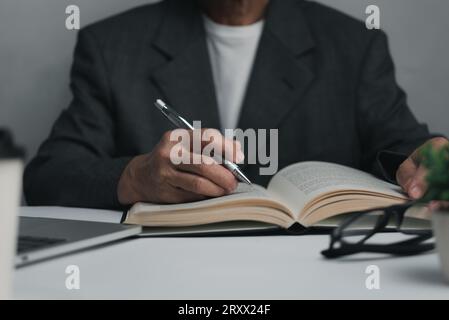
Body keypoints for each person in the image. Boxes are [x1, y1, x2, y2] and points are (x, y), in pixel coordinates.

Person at [24, 0, 448, 210]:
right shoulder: (112, 46)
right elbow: (48, 175)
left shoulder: (354, 46)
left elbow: (403, 144)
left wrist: (429, 159)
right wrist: (134, 177)